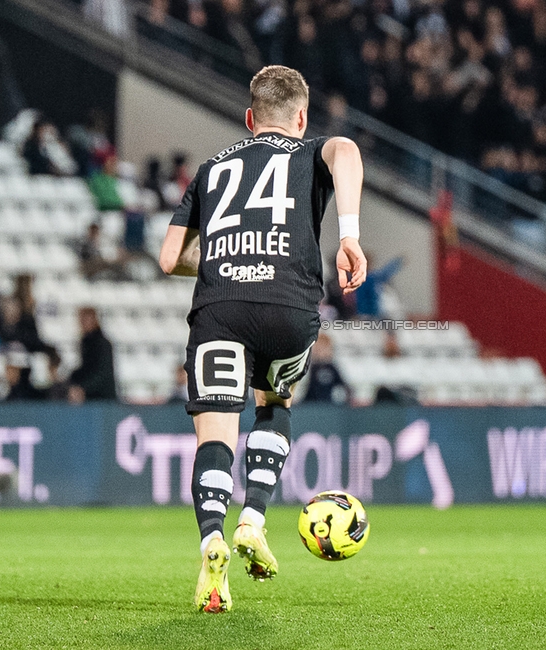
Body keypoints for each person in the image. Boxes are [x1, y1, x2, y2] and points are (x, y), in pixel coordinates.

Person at [159, 65, 367, 613]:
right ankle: (253, 517)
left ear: (249, 119)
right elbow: (345, 150)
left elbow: (168, 258)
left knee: (215, 436)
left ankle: (211, 542)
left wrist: (230, 258)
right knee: (274, 401)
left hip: (220, 309)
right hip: (288, 305)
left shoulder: (210, 169)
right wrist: (350, 237)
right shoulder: (309, 151)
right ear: (301, 118)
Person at [67, 307, 117, 403]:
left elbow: (102, 372)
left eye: (85, 319)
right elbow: (86, 369)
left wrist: (83, 388)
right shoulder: (87, 342)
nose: (82, 323)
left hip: (102, 399)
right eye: (81, 320)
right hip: (93, 398)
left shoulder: (101, 344)